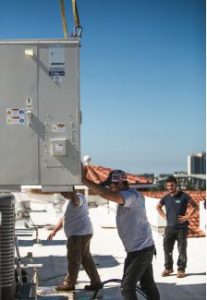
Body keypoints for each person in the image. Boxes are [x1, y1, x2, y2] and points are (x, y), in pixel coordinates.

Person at [82, 167, 160, 300]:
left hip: (141, 250)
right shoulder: (129, 196)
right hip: (137, 250)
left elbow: (105, 194)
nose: (110, 188)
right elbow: (106, 193)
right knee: (147, 284)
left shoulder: (131, 196)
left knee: (127, 286)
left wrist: (83, 180)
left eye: (111, 185)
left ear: (120, 183)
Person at [47, 190, 102, 291]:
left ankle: (69, 283)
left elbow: (76, 202)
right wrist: (54, 231)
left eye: (64, 192)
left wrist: (72, 192)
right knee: (85, 258)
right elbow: (64, 218)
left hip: (78, 234)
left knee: (74, 259)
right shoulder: (68, 203)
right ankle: (96, 282)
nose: (62, 194)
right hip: (82, 233)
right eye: (61, 193)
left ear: (70, 190)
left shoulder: (78, 197)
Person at [156, 176, 198, 278]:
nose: (170, 187)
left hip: (182, 228)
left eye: (172, 185)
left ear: (176, 185)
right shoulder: (166, 197)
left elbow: (195, 206)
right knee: (167, 249)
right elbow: (158, 207)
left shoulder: (184, 196)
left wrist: (188, 216)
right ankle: (168, 268)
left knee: (182, 250)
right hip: (169, 228)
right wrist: (163, 216)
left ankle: (181, 269)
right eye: (168, 185)